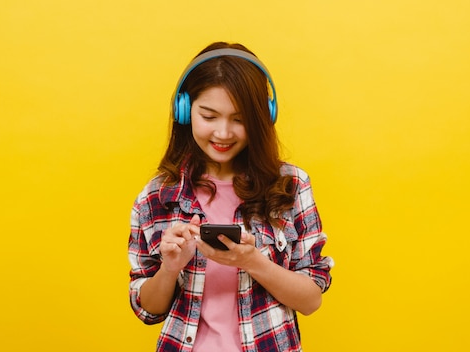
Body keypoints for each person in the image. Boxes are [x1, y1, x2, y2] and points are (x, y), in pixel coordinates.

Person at [128, 41, 333, 352]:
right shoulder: (155, 198)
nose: (223, 133)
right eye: (209, 116)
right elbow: (148, 309)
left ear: (263, 117)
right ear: (184, 110)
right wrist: (169, 268)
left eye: (239, 120)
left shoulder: (291, 186)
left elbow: (311, 300)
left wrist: (253, 262)